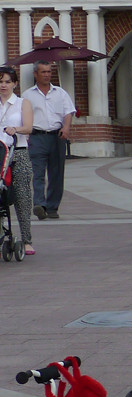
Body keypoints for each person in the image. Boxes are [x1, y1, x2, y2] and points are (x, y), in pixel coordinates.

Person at [22, 61, 75, 221]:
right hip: (37, 137)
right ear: (35, 74)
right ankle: (40, 204)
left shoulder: (60, 93)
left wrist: (66, 127)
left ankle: (52, 207)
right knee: (37, 173)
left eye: (49, 71)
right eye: (43, 72)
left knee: (56, 173)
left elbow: (68, 112)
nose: (46, 74)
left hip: (57, 137)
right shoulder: (27, 95)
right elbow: (23, 116)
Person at [0, 66, 35, 255]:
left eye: (7, 81)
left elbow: (28, 127)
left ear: (14, 83)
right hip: (0, 152)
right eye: (0, 81)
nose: (3, 85)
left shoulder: (23, 103)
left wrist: (16, 129)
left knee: (22, 195)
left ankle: (26, 239)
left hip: (17, 151)